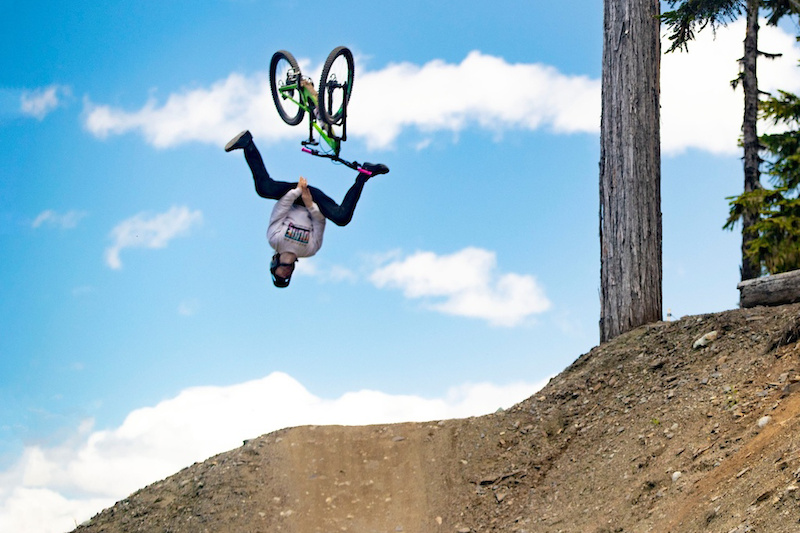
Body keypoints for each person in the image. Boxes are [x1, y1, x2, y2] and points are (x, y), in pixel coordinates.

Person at [225, 130, 388, 288]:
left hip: (292, 197)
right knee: (341, 218)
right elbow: (319, 222)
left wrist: (298, 191)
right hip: (312, 201)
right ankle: (365, 174)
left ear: (274, 264)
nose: (286, 272)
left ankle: (247, 143)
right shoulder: (310, 250)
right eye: (288, 275)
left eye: (281, 273)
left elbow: (281, 208)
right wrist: (309, 202)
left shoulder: (274, 240)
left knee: (263, 189)